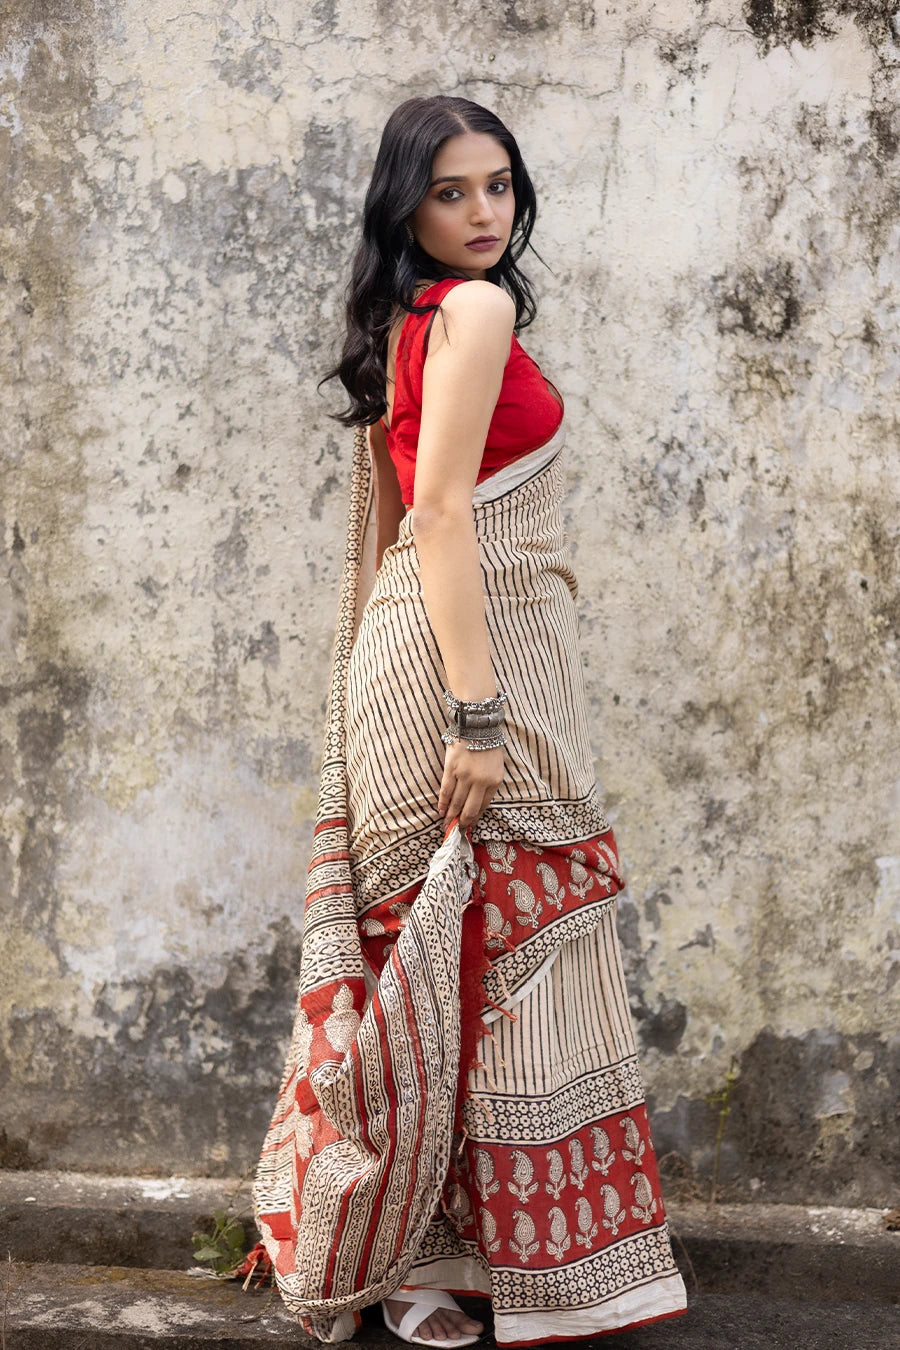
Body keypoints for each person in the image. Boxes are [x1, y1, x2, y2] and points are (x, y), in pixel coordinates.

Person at [251, 95, 688, 1347]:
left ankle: (437, 1264)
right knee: (478, 949)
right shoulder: (475, 312)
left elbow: (398, 526)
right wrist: (475, 714)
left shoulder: (422, 317)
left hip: (429, 651)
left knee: (450, 954)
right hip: (466, 665)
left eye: (499, 185)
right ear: (408, 204)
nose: (484, 213)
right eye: (452, 192)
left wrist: (372, 696)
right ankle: (439, 1266)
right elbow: (436, 517)